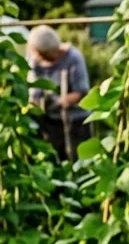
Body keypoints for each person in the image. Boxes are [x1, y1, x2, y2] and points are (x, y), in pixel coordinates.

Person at [25, 25, 92, 161]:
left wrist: (58, 102)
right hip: (51, 122)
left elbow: (81, 92)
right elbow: (34, 93)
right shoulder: (35, 61)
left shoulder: (73, 58)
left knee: (78, 159)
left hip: (75, 120)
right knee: (55, 160)